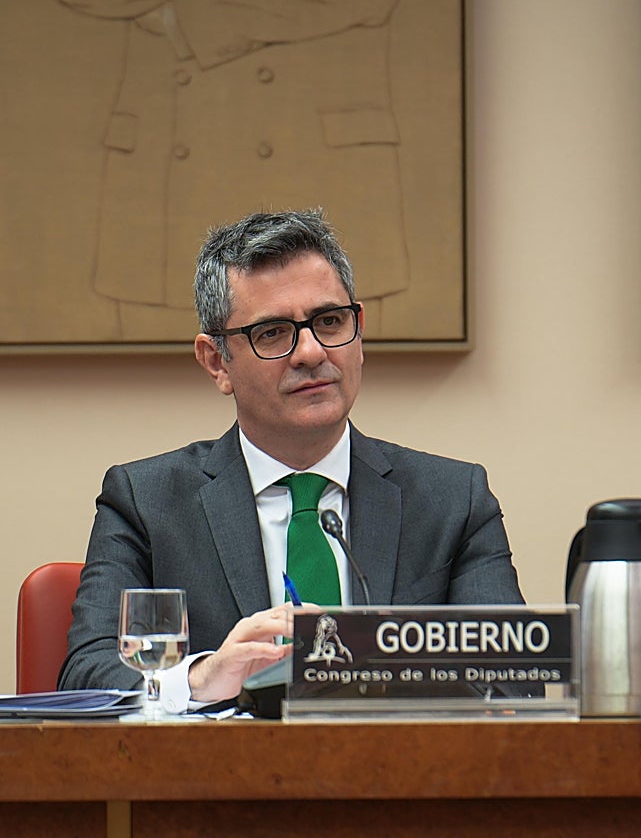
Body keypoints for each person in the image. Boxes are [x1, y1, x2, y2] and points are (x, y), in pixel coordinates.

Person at [61, 209, 523, 710]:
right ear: (218, 362)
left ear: (359, 332)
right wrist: (203, 678)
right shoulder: (147, 502)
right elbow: (89, 674)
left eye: (329, 321)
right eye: (274, 332)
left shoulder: (453, 499)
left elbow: (512, 675)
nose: (311, 352)